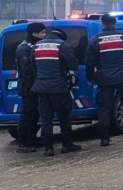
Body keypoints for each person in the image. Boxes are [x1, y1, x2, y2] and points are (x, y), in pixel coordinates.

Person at [84, 13, 123, 146]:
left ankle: (104, 137)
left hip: (104, 78)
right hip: (122, 76)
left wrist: (90, 77)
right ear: (115, 24)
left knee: (104, 107)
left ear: (102, 24)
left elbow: (89, 62)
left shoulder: (95, 40)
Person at [31, 28, 81, 157]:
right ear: (61, 37)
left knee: (46, 119)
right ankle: (67, 145)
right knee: (64, 117)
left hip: (41, 87)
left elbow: (33, 66)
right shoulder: (63, 45)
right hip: (59, 88)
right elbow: (73, 65)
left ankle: (48, 149)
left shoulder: (36, 46)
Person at [15, 22, 46, 153]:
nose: (44, 35)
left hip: (35, 85)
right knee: (27, 114)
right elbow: (27, 70)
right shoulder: (24, 49)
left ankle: (32, 139)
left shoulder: (34, 46)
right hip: (28, 86)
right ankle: (22, 142)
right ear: (34, 34)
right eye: (42, 33)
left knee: (35, 114)